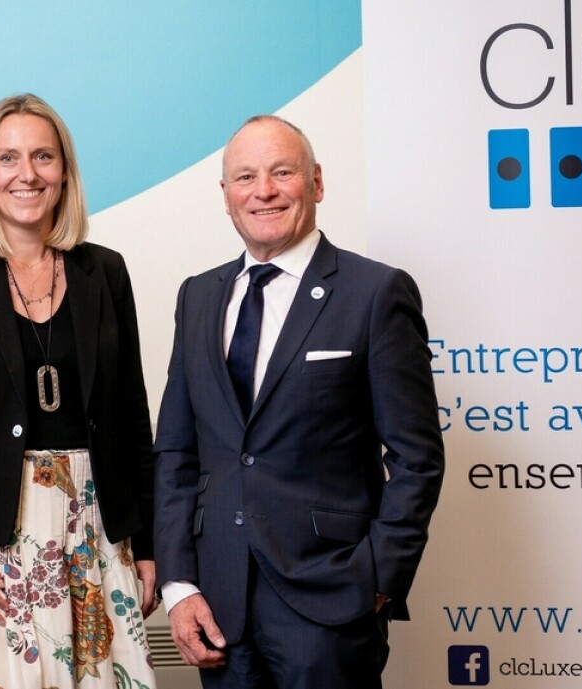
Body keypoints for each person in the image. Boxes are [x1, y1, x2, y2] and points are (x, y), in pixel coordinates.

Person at [153, 115, 445, 688]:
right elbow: (176, 451)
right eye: (246, 177)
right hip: (219, 605)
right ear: (226, 196)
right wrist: (179, 586)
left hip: (329, 604)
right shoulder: (199, 296)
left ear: (316, 181)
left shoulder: (374, 293)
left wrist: (378, 578)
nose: (263, 191)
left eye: (281, 172)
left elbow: (417, 457)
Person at [0, 93, 159, 688]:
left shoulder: (106, 270)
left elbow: (131, 416)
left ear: (64, 171)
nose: (27, 173)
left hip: (95, 529)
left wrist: (147, 544)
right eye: (8, 158)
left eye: (43, 156)